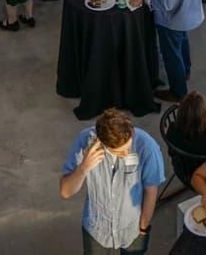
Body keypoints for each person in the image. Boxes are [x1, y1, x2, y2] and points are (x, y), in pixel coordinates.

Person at [60, 107, 165, 254]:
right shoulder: (85, 142)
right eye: (121, 152)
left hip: (132, 229)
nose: (127, 152)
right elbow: (65, 191)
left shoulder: (147, 147)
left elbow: (151, 189)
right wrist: (83, 168)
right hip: (97, 229)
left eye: (128, 146)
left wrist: (143, 227)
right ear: (103, 144)